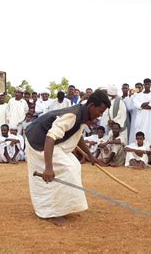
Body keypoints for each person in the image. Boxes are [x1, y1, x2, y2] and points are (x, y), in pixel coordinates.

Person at [24, 89, 110, 223]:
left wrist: (90, 155)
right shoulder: (73, 115)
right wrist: (48, 168)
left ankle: (63, 207)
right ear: (91, 106)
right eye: (100, 111)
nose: (100, 115)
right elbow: (50, 137)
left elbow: (77, 134)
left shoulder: (83, 113)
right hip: (39, 142)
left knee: (74, 166)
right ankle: (51, 212)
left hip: (49, 143)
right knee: (68, 169)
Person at [132, 78, 151, 143]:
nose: (147, 86)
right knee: (139, 132)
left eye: (148, 84)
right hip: (140, 118)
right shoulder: (138, 95)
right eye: (146, 84)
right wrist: (146, 103)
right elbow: (137, 105)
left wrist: (142, 105)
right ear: (143, 84)